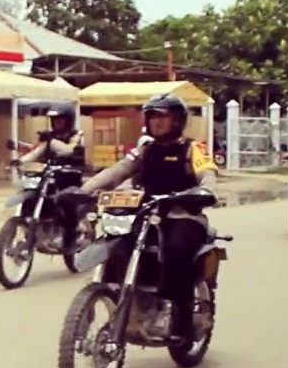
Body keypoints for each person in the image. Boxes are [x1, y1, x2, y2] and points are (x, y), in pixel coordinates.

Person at [59, 94, 218, 345]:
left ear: (177, 120)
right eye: (153, 116)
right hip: (146, 215)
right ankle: (126, 300)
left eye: (163, 117)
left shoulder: (192, 149)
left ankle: (181, 317)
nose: (157, 122)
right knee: (119, 243)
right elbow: (116, 171)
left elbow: (207, 174)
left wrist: (205, 192)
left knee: (177, 248)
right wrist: (84, 191)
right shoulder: (145, 150)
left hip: (184, 214)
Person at [11, 106, 85, 251]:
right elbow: (39, 151)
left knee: (66, 201)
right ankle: (37, 225)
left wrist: (51, 141)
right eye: (54, 120)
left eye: (60, 120)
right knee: (36, 194)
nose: (57, 123)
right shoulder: (50, 136)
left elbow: (68, 150)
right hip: (51, 173)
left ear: (68, 121)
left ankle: (70, 240)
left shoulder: (77, 134)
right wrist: (21, 161)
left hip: (71, 173)